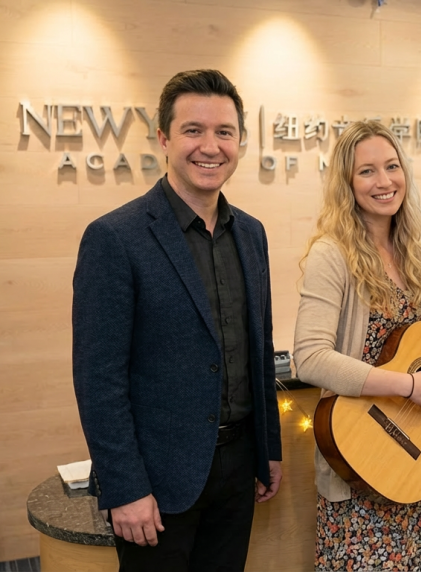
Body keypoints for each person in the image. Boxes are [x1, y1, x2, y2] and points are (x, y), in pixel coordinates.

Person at [72, 69, 282, 572]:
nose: (210, 146)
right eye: (193, 130)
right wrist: (125, 488)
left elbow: (258, 350)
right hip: (156, 483)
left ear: (240, 143)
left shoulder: (251, 234)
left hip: (238, 470)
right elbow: (99, 380)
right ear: (164, 139)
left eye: (224, 132)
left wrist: (267, 449)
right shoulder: (115, 238)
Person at [293, 120, 421, 571]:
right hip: (366, 460)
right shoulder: (332, 254)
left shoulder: (416, 250)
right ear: (346, 183)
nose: (384, 181)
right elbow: (309, 356)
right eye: (367, 171)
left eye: (392, 167)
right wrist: (408, 386)